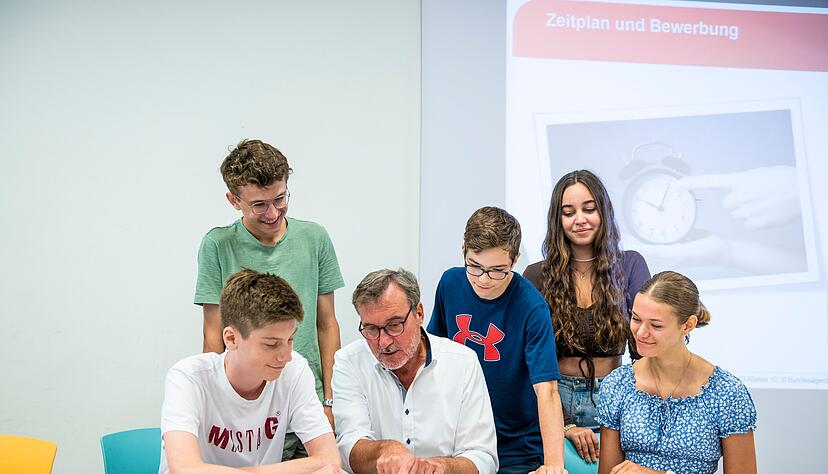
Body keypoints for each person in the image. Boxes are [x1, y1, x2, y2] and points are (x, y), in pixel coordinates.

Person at [195, 139, 345, 457]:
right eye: (259, 204)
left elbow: (327, 325)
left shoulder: (314, 238)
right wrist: (218, 407)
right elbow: (214, 335)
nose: (273, 213)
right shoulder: (218, 245)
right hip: (247, 415)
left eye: (280, 198)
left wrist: (330, 401)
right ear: (233, 200)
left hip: (307, 404)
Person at [160, 269, 344, 474]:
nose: (286, 356)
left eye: (289, 340)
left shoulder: (294, 371)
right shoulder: (188, 378)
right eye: (271, 344)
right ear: (231, 339)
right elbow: (185, 469)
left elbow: (329, 458)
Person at [523, 170, 650, 466]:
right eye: (569, 212)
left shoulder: (630, 264)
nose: (579, 219)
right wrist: (566, 425)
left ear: (603, 212)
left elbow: (646, 348)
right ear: (558, 220)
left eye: (589, 209)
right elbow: (529, 362)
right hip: (555, 402)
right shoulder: (536, 274)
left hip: (617, 399)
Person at [428, 206, 567, 474]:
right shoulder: (450, 283)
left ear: (515, 260)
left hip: (515, 447)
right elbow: (434, 354)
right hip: (457, 440)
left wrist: (553, 465)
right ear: (463, 250)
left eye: (497, 270)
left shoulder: (532, 307)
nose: (483, 279)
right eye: (475, 267)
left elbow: (547, 390)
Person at [333, 268, 498, 474]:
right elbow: (349, 444)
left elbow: (482, 456)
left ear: (419, 313)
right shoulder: (349, 362)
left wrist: (442, 468)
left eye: (394, 325)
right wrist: (384, 450)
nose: (383, 342)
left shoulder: (462, 362)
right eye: (371, 330)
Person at [597, 271, 757, 474]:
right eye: (636, 319)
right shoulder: (617, 385)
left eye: (656, 325)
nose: (641, 332)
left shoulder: (726, 393)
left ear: (688, 325)